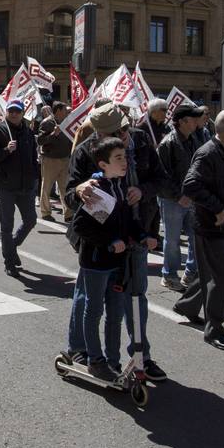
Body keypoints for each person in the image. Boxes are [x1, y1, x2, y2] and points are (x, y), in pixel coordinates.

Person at [68, 137, 157, 380]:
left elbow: (127, 221)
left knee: (115, 314)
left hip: (117, 263)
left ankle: (112, 361)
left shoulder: (120, 185)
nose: (124, 161)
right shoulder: (97, 188)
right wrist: (110, 242)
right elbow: (82, 226)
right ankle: (95, 361)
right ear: (103, 164)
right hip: (96, 262)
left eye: (125, 156)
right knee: (94, 310)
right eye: (118, 158)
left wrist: (143, 236)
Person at [174, 108, 224, 349]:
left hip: (220, 226)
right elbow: (191, 185)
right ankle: (214, 329)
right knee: (219, 279)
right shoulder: (209, 153)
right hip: (212, 227)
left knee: (210, 273)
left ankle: (187, 305)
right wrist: (218, 208)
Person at [0, 99, 41, 276]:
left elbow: (33, 156)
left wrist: (35, 177)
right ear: (6, 112)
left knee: (31, 220)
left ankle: (12, 246)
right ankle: (9, 261)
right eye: (11, 111)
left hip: (26, 186)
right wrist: (5, 150)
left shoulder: (28, 132)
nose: (14, 114)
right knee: (6, 226)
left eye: (17, 111)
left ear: (23, 113)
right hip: (6, 186)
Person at [157, 104, 204, 290]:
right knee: (172, 240)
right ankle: (169, 275)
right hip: (172, 200)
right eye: (193, 118)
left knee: (195, 237)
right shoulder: (167, 143)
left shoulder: (194, 139)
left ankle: (191, 273)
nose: (197, 121)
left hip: (192, 198)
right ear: (183, 122)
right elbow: (162, 176)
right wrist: (178, 196)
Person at [36, 101, 74, 221]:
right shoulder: (47, 123)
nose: (67, 112)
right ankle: (45, 212)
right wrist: (53, 134)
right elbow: (40, 141)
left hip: (65, 159)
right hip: (50, 160)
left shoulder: (67, 122)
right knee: (47, 187)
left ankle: (68, 213)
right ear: (58, 111)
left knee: (65, 187)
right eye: (64, 110)